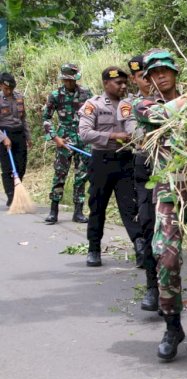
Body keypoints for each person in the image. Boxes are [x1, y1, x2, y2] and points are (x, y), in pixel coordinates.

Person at [133, 49, 187, 361]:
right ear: (149, 79)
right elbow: (164, 115)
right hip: (168, 195)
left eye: (166, 70)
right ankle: (172, 326)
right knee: (166, 260)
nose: (161, 76)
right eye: (154, 73)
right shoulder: (143, 105)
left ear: (175, 73)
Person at [78, 67, 143, 268]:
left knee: (130, 207)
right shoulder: (93, 105)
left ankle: (140, 249)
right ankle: (94, 249)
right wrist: (114, 136)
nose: (123, 86)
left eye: (125, 83)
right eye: (118, 83)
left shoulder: (132, 104)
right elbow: (84, 133)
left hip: (125, 160)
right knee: (97, 205)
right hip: (101, 160)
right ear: (106, 83)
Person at [119, 55, 158, 311]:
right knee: (149, 225)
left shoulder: (175, 96)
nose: (147, 79)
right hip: (147, 168)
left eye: (150, 73)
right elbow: (136, 134)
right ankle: (153, 287)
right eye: (141, 76)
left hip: (178, 169)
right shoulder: (129, 104)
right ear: (134, 79)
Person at [42, 64, 93, 224]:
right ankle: (53, 211)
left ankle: (78, 211)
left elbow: (94, 114)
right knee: (60, 174)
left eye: (72, 80)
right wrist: (54, 137)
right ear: (63, 79)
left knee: (82, 175)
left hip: (83, 139)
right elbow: (46, 118)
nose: (70, 83)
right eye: (67, 80)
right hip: (64, 139)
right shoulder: (55, 95)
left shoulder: (86, 93)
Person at [0, 72, 32, 207]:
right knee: (7, 168)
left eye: (11, 89)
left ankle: (17, 188)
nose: (9, 91)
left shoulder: (19, 97)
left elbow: (23, 118)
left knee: (21, 165)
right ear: (1, 86)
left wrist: (28, 136)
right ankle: (11, 196)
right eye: (6, 89)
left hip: (19, 134)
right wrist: (3, 138)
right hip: (4, 133)